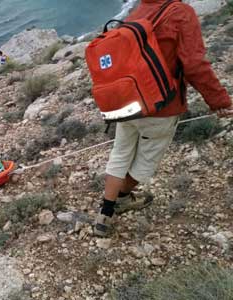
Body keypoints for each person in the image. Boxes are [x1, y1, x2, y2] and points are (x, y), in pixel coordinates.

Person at [94, 0, 233, 237]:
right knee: (144, 163)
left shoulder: (138, 10)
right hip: (161, 107)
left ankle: (104, 215)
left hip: (128, 102)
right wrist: (219, 101)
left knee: (120, 154)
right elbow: (195, 65)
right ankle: (122, 200)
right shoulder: (181, 13)